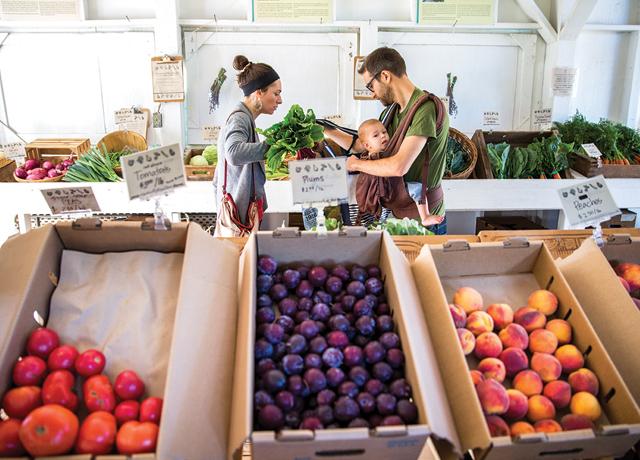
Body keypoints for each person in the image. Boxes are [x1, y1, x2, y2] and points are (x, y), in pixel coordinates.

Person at [324, 47, 448, 234]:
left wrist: (356, 165)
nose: (373, 94)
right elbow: (364, 145)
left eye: (370, 86)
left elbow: (399, 166)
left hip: (425, 223)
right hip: (398, 217)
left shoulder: (425, 108)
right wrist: (326, 130)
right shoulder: (390, 112)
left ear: (385, 76)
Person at [213, 55, 282, 236]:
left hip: (239, 211)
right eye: (276, 93)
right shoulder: (240, 118)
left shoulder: (244, 117)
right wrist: (274, 146)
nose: (280, 100)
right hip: (238, 217)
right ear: (258, 92)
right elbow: (233, 153)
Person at [357, 118, 432, 227]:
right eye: (376, 135)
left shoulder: (391, 152)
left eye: (384, 132)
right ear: (368, 146)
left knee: (419, 189)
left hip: (394, 190)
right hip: (379, 195)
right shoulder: (366, 160)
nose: (383, 136)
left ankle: (425, 216)